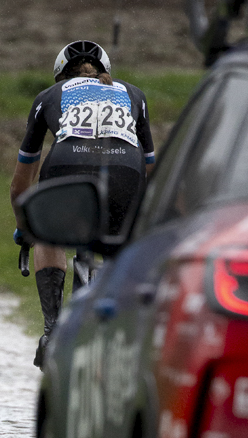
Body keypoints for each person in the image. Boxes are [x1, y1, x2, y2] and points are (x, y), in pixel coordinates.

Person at [10, 40, 155, 367]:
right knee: (122, 246)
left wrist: (26, 226)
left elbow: (21, 183)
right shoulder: (134, 94)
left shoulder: (48, 96)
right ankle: (121, 327)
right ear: (105, 70)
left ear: (61, 75)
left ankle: (52, 329)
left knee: (47, 235)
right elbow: (151, 170)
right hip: (126, 172)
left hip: (66, 166)